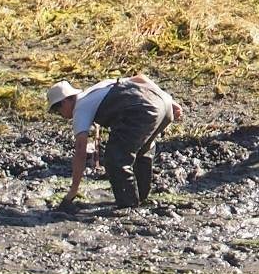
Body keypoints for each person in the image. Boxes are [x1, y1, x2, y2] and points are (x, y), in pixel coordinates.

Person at [47, 75, 182, 210]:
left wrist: (73, 191)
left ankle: (128, 206)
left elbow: (80, 150)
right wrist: (169, 100)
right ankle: (141, 198)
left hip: (143, 111)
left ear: (65, 102)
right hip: (163, 105)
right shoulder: (98, 88)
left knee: (115, 159)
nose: (61, 115)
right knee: (141, 151)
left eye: (57, 111)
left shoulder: (80, 109)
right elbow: (141, 79)